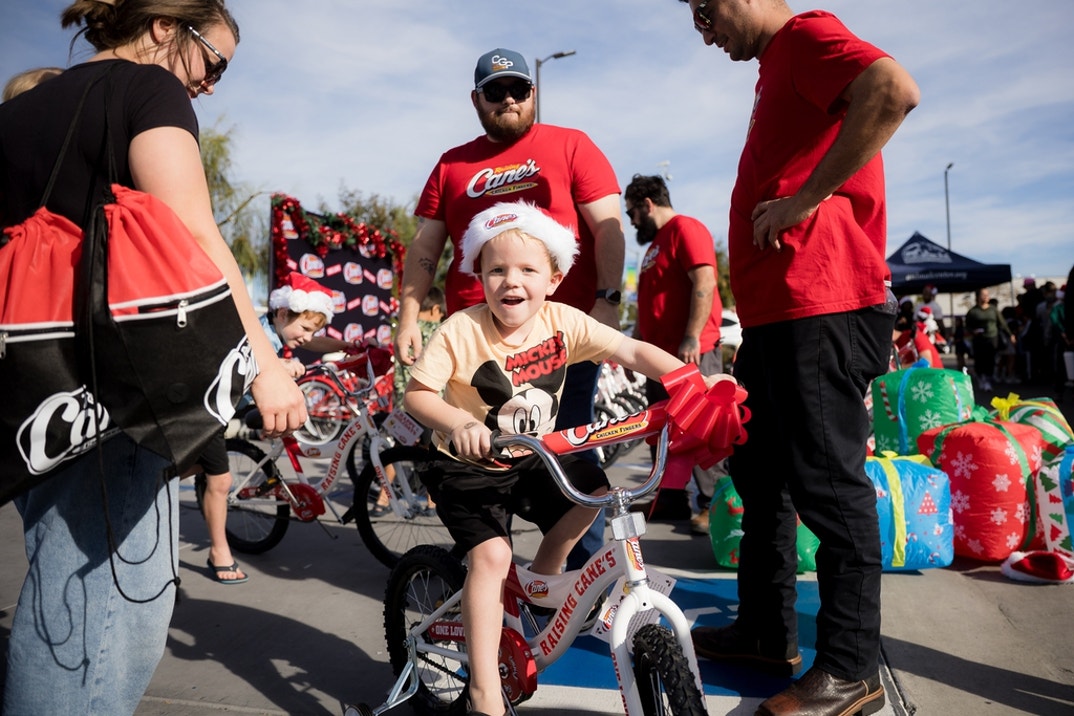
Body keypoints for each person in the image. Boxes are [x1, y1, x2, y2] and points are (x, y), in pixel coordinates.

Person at [0, 2, 307, 713]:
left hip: (34, 388)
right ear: (168, 27)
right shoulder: (146, 90)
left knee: (60, 581)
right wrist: (263, 361)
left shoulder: (21, 112)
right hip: (114, 393)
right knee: (99, 613)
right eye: (215, 61)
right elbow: (193, 231)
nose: (211, 83)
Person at [679, 2, 920, 714]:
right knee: (761, 477)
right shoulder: (776, 65)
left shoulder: (807, 35)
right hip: (780, 316)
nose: (704, 30)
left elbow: (892, 90)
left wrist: (806, 199)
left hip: (824, 305)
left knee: (828, 488)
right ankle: (764, 629)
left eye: (706, 9)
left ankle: (851, 670)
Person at [404, 201, 730, 716]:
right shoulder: (461, 329)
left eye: (528, 269)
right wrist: (459, 422)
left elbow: (631, 351)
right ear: (480, 277)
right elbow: (417, 394)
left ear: (554, 279)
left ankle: (546, 571)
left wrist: (691, 380)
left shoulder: (564, 321)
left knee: (599, 494)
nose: (511, 281)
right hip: (469, 464)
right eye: (496, 269)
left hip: (536, 454)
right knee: (491, 559)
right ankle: (484, 689)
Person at [394, 47, 625, 569]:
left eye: (517, 89)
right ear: (476, 99)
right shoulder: (452, 164)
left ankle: (575, 578)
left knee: (570, 452)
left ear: (532, 94)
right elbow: (427, 248)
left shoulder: (572, 146)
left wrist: (607, 300)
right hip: (474, 348)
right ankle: (483, 569)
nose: (508, 100)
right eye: (494, 91)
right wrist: (409, 315)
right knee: (475, 459)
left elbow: (607, 226)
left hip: (558, 338)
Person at [197, 272, 339, 585]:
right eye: (303, 328)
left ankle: (271, 478)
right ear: (283, 312)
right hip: (210, 409)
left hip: (229, 406)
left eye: (311, 331)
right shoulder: (257, 331)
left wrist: (346, 345)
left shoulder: (277, 331)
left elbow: (314, 340)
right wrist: (274, 368)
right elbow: (233, 362)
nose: (306, 338)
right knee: (220, 482)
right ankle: (219, 552)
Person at [623, 173, 727, 535]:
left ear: (648, 204)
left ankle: (717, 505)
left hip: (689, 353)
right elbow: (650, 304)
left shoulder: (686, 228)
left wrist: (692, 336)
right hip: (659, 358)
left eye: (632, 213)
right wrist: (633, 351)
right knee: (663, 427)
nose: (632, 221)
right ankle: (669, 498)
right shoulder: (655, 246)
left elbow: (704, 281)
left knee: (702, 429)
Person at [393, 285, 446, 406]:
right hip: (432, 407)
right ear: (435, 309)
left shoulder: (402, 334)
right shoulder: (439, 332)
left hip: (402, 408)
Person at [965, 287, 1013, 392]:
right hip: (979, 339)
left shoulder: (993, 310)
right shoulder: (973, 311)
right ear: (978, 297)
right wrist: (973, 331)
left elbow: (1002, 323)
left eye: (987, 295)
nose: (986, 297)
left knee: (990, 360)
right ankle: (981, 378)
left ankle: (988, 379)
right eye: (983, 295)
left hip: (992, 337)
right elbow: (967, 325)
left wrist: (1010, 334)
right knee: (980, 360)